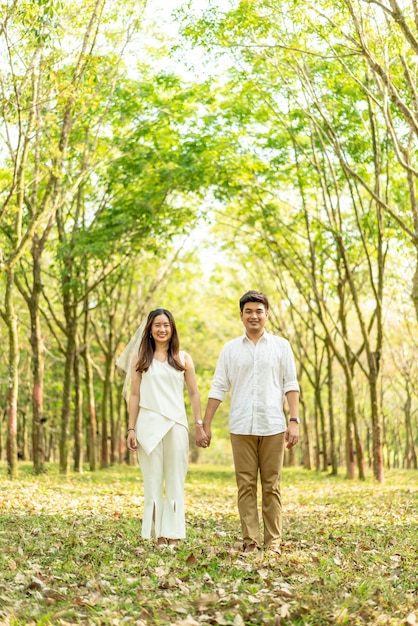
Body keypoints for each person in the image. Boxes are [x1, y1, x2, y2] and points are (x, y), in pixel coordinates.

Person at [197, 291, 300, 557]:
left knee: (271, 485)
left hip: (274, 425)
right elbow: (219, 387)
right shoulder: (230, 349)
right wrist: (204, 424)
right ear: (241, 315)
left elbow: (291, 384)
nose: (254, 316)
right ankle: (251, 540)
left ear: (267, 314)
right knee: (245, 485)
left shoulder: (281, 346)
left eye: (259, 311)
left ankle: (273, 541)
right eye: (248, 311)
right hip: (241, 425)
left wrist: (294, 420)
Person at [124, 308, 207, 549]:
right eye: (157, 325)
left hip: (176, 425)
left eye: (166, 325)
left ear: (172, 329)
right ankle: (158, 535)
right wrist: (131, 429)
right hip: (148, 425)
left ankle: (173, 534)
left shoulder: (183, 358)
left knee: (175, 480)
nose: (162, 329)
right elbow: (134, 394)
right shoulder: (140, 360)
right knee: (152, 481)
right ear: (149, 329)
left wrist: (198, 424)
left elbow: (193, 392)